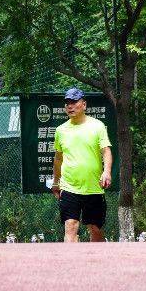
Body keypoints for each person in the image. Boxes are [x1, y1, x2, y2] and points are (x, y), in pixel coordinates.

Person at [52, 87, 112, 242]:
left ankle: (96, 264)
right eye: (67, 103)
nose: (69, 106)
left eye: (73, 102)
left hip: (94, 187)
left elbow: (106, 151)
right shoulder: (61, 130)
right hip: (69, 187)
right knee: (70, 226)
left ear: (84, 105)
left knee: (95, 229)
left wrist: (107, 172)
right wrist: (56, 182)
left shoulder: (97, 126)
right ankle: (71, 265)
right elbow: (58, 159)